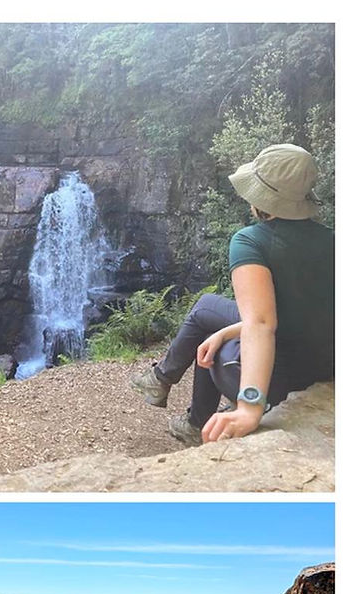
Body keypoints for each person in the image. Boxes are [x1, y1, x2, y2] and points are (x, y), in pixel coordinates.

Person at [130, 143, 334, 446]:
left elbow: (262, 323)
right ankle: (188, 416)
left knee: (208, 321)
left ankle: (170, 389)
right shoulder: (333, 240)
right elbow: (304, 314)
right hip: (325, 368)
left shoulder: (251, 241)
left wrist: (250, 406)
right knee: (212, 323)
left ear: (260, 198)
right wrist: (228, 330)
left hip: (279, 382)